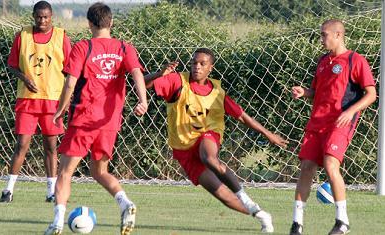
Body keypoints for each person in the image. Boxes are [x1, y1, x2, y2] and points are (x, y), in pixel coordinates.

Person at [144, 48, 288, 233]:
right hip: (183, 149)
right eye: (194, 62)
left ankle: (244, 196)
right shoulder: (178, 81)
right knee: (224, 197)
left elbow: (242, 117)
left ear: (210, 68)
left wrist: (268, 134)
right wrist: (159, 74)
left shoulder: (217, 92)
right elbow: (144, 83)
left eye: (202, 64)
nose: (197, 67)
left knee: (209, 158)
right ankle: (259, 213)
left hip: (208, 135)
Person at [44, 3, 147, 235]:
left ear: (89, 23)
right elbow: (137, 73)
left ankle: (58, 223)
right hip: (109, 122)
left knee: (65, 173)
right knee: (99, 171)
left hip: (84, 118)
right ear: (111, 22)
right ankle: (126, 204)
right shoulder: (124, 48)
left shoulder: (83, 47)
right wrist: (143, 100)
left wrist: (60, 110)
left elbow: (70, 82)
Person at [289, 19, 376, 235]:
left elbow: (371, 94)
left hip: (340, 122)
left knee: (330, 164)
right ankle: (297, 224)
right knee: (307, 167)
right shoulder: (322, 61)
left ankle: (342, 221)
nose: (321, 39)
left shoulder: (355, 60)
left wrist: (349, 111)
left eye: (324, 35)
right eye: (321, 35)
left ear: (338, 35)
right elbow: (316, 92)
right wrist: (304, 93)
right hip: (317, 121)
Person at [0, 0, 72, 203]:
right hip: (27, 100)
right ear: (33, 16)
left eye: (46, 17)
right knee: (21, 144)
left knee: (51, 147)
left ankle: (51, 192)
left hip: (52, 101)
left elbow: (71, 68)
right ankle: (8, 190)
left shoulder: (61, 36)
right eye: (39, 17)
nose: (42, 20)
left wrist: (69, 95)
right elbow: (12, 65)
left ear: (51, 17)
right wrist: (25, 78)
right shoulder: (23, 35)